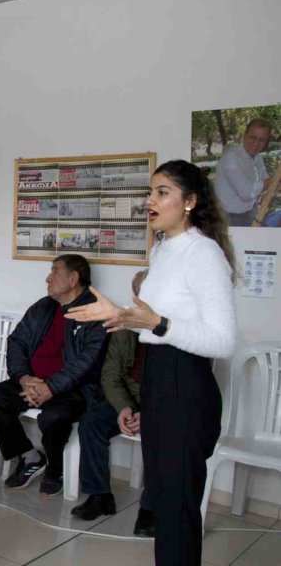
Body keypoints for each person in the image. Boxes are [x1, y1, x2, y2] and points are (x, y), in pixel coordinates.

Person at [66, 160, 236, 565]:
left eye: (162, 193)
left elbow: (222, 340)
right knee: (163, 501)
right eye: (150, 191)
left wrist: (155, 323)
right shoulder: (162, 248)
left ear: (191, 202)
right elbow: (155, 320)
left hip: (187, 385)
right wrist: (123, 316)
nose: (150, 201)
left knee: (178, 510)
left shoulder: (204, 253)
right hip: (159, 379)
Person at [0, 254, 107, 497]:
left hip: (72, 390)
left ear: (73, 278)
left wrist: (51, 387)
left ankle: (55, 469)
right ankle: (29, 457)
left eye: (55, 271)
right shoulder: (44, 307)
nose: (48, 278)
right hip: (33, 382)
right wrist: (24, 378)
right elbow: (16, 342)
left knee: (54, 417)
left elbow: (87, 362)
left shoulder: (94, 312)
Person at [70, 270, 153, 536]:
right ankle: (99, 496)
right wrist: (124, 408)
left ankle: (151, 508)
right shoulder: (124, 326)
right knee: (91, 422)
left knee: (165, 437)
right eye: (140, 293)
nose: (144, 300)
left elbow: (181, 389)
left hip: (164, 406)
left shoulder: (175, 329)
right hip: (126, 399)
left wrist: (150, 414)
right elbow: (111, 374)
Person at [214, 118, 272, 226]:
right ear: (244, 136)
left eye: (262, 140)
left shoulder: (258, 157)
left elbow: (265, 181)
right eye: (252, 137)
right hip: (228, 219)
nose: (256, 143)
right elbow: (246, 192)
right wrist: (270, 182)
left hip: (251, 211)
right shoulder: (231, 158)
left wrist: (274, 184)